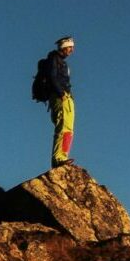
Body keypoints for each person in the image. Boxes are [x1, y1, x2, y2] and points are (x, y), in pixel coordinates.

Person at [40, 36, 75, 167]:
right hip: (60, 97)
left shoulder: (60, 61)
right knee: (63, 127)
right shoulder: (54, 59)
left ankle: (62, 156)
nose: (72, 50)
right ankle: (58, 159)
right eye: (70, 47)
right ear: (64, 47)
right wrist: (61, 94)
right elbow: (52, 76)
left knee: (68, 129)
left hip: (65, 97)